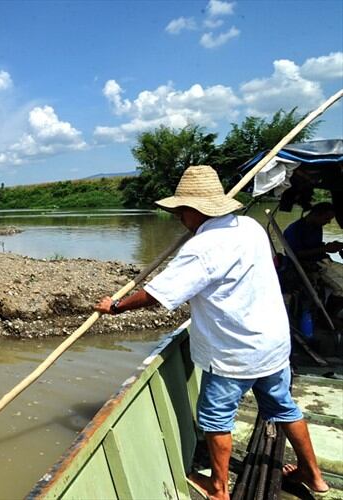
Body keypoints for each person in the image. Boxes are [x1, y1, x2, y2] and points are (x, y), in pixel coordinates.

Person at [94, 165, 328, 499]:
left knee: (216, 419)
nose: (178, 218)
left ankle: (219, 489)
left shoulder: (202, 247)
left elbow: (158, 296)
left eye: (181, 211)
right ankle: (313, 475)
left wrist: (114, 307)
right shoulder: (249, 226)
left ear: (195, 210)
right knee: (283, 408)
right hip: (273, 344)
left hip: (234, 353)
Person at [282, 202, 343, 267]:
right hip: (301, 265)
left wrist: (334, 246)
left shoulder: (317, 226)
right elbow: (295, 254)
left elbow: (316, 246)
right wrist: (325, 248)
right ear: (316, 214)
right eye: (327, 219)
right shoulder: (295, 229)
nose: (329, 222)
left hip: (318, 261)